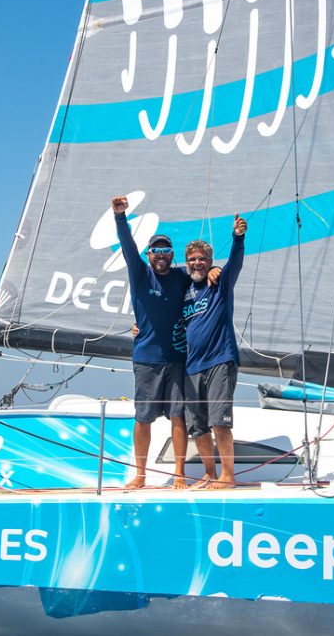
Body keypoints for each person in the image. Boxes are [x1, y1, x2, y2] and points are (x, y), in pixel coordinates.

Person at [112, 195, 190, 489]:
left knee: (178, 417)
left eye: (166, 250)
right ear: (149, 254)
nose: (160, 254)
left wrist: (214, 270)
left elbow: (203, 274)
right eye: (156, 250)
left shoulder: (181, 277)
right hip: (146, 359)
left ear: (172, 254)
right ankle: (141, 474)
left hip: (176, 358)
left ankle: (180, 474)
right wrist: (120, 216)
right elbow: (127, 246)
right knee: (143, 418)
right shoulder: (140, 273)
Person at [182, 214, 247, 489]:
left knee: (219, 421)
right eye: (193, 259)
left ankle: (227, 476)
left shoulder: (219, 284)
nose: (198, 263)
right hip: (191, 367)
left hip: (220, 360)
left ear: (210, 262)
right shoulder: (184, 291)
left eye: (203, 259)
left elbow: (235, 264)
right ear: (187, 263)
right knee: (197, 426)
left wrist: (238, 238)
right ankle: (209, 472)